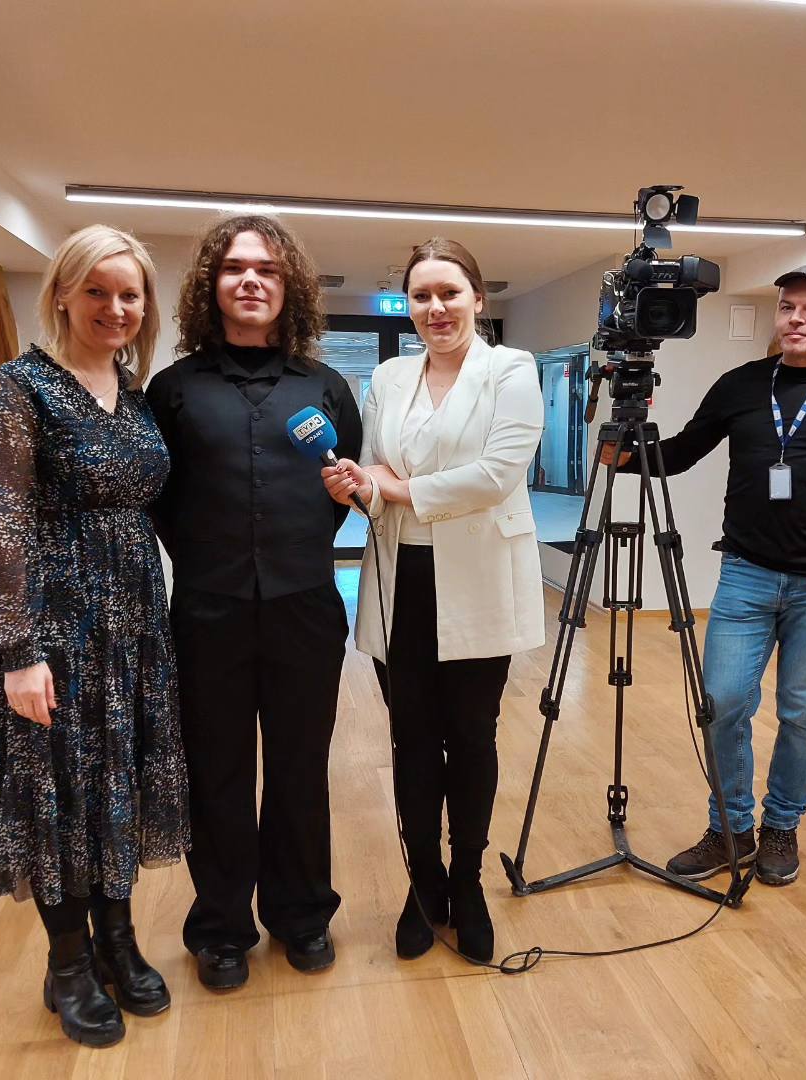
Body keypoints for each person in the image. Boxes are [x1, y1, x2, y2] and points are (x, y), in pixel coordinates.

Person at [609, 263, 806, 888]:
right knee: (722, 704)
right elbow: (680, 453)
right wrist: (619, 452)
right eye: (787, 307)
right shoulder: (741, 384)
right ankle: (730, 827)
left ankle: (781, 825)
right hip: (746, 576)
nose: (796, 319)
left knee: (802, 712)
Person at [0, 224, 190, 1048]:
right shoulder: (17, 387)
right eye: (97, 290)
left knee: (118, 781)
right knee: (58, 787)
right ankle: (68, 962)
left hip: (135, 623)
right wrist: (17, 652)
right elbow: (1, 523)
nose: (115, 307)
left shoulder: (133, 395)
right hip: (55, 628)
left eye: (130, 294)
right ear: (62, 294)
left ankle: (118, 942)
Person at [147, 215, 360, 989]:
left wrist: (288, 551)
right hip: (209, 612)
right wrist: (217, 560)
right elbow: (160, 500)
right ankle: (221, 929)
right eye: (235, 268)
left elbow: (339, 490)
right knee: (218, 774)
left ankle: (302, 916)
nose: (250, 281)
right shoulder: (173, 390)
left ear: (287, 285)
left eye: (267, 270)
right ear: (212, 285)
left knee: (301, 770)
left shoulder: (325, 387)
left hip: (305, 606)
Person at [323, 238, 544, 962]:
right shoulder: (389, 377)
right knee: (411, 742)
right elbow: (377, 470)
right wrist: (361, 487)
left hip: (478, 579)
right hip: (402, 580)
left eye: (449, 292)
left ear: (477, 297)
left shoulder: (511, 370)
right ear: (408, 305)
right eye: (421, 296)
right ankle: (426, 887)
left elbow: (497, 474)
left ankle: (468, 883)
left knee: (472, 739)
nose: (436, 307)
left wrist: (398, 488)